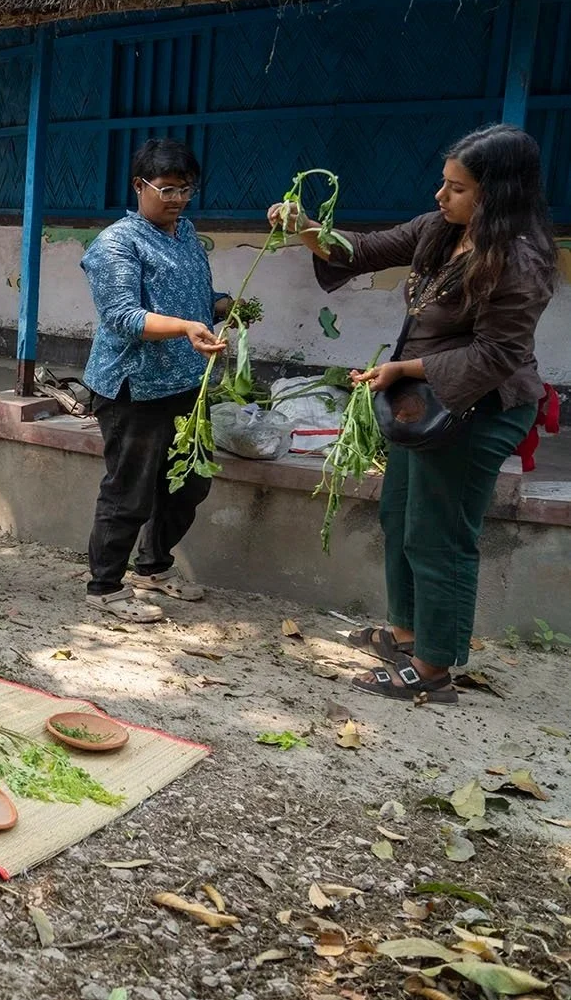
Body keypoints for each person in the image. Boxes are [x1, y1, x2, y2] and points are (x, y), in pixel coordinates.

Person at [276, 124, 557, 704]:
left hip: (479, 406)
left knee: (441, 535)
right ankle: (407, 633)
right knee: (401, 516)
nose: (440, 196)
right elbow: (367, 250)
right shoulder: (441, 229)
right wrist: (305, 226)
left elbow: (498, 354)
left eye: (456, 188)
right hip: (427, 400)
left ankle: (433, 668)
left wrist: (407, 370)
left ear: (497, 195)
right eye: (444, 183)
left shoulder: (518, 261)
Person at [78, 138, 227, 625]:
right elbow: (121, 317)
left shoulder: (185, 233)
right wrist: (185, 327)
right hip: (134, 387)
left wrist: (223, 308)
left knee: (189, 484)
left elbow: (194, 296)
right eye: (166, 190)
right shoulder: (116, 243)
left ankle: (153, 567)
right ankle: (104, 587)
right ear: (139, 186)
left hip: (186, 383)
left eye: (186, 190)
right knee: (131, 489)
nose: (178, 200)